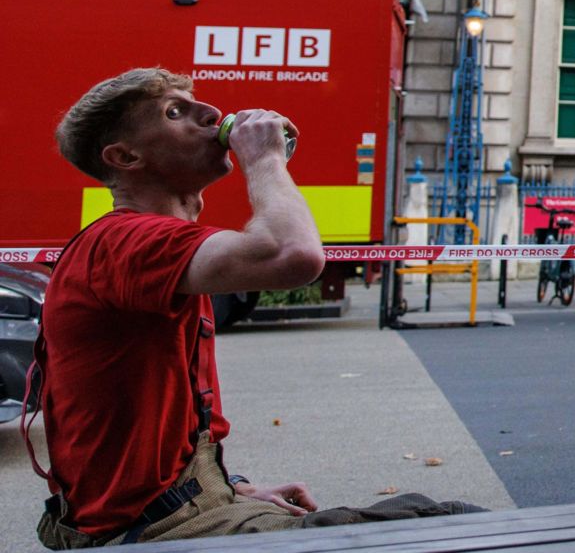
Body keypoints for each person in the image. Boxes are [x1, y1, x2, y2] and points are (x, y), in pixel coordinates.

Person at [31, 69, 481, 548]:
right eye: (174, 112)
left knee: (430, 517)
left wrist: (232, 488)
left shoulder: (149, 245)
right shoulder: (126, 240)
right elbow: (294, 255)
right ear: (125, 157)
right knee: (452, 524)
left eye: (195, 102)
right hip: (151, 530)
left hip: (180, 507)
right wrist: (266, 160)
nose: (210, 114)